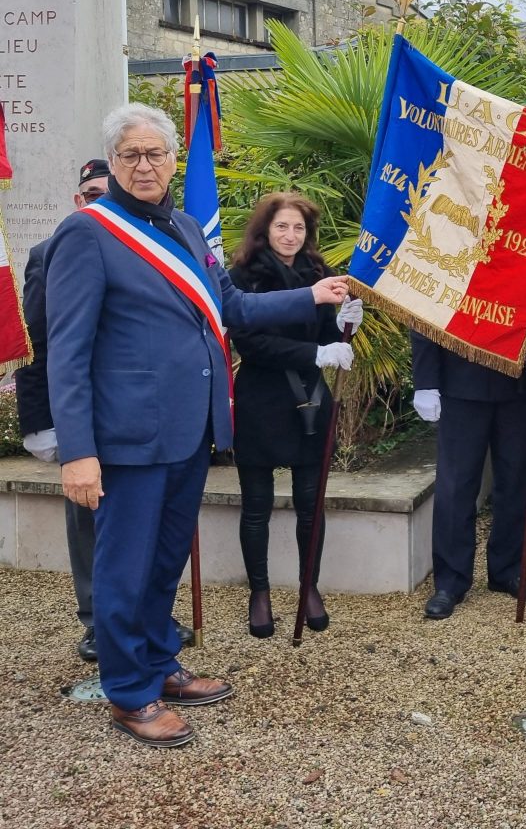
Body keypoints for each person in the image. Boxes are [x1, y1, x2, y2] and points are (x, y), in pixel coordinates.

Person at [45, 104, 349, 749]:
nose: (145, 165)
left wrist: (310, 295)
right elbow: (67, 351)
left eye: (156, 153)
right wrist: (77, 451)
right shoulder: (88, 232)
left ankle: (160, 663)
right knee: (125, 568)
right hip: (128, 437)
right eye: (131, 154)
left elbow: (229, 304)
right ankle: (129, 692)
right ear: (114, 161)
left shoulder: (183, 226)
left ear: (173, 160)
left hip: (188, 429)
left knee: (163, 561)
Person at [15, 158, 194, 662]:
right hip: (83, 418)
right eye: (91, 195)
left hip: (139, 418)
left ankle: (147, 629)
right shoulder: (53, 250)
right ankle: (98, 620)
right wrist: (43, 425)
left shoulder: (159, 241)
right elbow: (43, 345)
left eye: (104, 192)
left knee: (144, 534)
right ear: (79, 200)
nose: (100, 201)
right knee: (92, 526)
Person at [229, 192, 363, 637]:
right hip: (261, 400)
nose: (290, 235)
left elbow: (327, 336)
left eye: (299, 228)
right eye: (282, 226)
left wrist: (343, 327)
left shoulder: (317, 273)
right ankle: (259, 592)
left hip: (309, 399)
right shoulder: (243, 276)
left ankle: (310, 586)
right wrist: (315, 352)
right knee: (257, 507)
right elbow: (250, 342)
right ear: (265, 229)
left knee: (311, 502)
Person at [411, 335, 526, 619]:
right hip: (461, 377)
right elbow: (426, 314)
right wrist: (425, 382)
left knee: (516, 483)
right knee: (456, 487)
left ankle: (508, 570)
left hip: (519, 378)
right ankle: (450, 581)